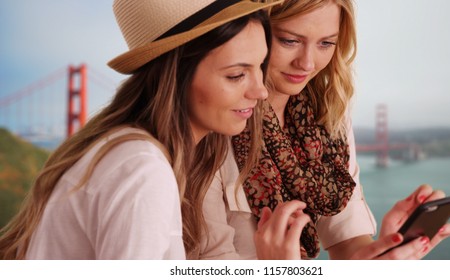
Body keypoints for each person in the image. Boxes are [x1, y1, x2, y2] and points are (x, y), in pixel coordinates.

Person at [0, 0, 303, 260]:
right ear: (177, 76)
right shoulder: (142, 170)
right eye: (236, 75)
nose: (261, 91)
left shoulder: (129, 153)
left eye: (259, 67)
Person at [200, 0, 450, 260]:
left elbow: (347, 245)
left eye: (326, 43)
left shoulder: (328, 114)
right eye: (290, 41)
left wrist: (386, 249)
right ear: (253, 31)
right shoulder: (213, 122)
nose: (308, 63)